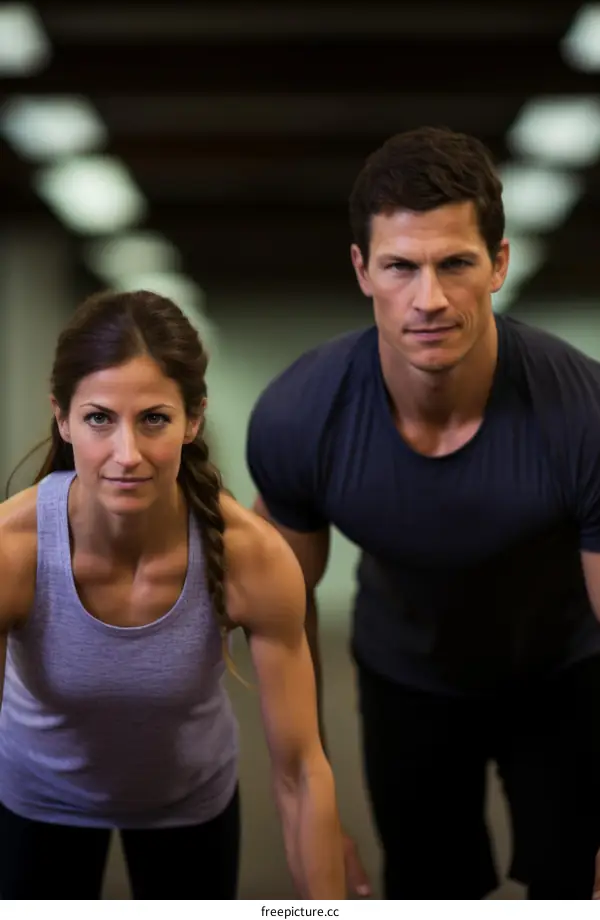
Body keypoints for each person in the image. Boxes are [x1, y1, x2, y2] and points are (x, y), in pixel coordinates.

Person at [246, 126, 600, 900]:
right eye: (400, 267)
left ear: (499, 264)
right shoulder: (301, 417)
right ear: (362, 270)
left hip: (563, 675)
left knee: (575, 887)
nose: (429, 299)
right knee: (433, 893)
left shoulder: (583, 413)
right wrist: (315, 814)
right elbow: (283, 631)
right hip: (406, 679)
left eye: (456, 264)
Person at [0, 290, 345, 900]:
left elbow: (299, 771)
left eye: (153, 418)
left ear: (192, 420)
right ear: (62, 417)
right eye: (99, 418)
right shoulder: (13, 549)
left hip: (189, 801)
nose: (126, 455)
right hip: (35, 795)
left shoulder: (253, 557)